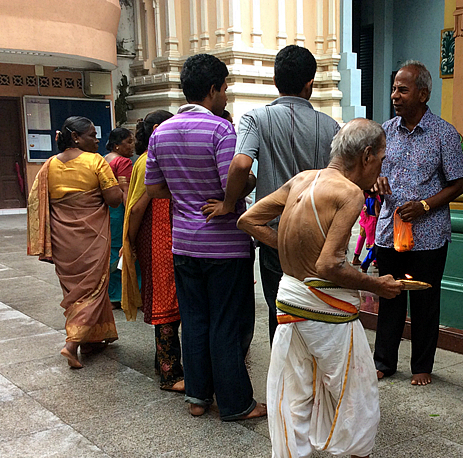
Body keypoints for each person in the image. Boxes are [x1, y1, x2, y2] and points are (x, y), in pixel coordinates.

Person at [238, 119, 407, 458]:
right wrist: (377, 285)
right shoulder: (349, 193)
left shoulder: (301, 179)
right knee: (361, 393)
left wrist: (291, 246)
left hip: (291, 303)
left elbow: (248, 221)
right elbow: (330, 264)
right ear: (366, 157)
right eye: (380, 159)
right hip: (326, 312)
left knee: (290, 400)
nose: (379, 169)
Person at [145, 54, 265, 421]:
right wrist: (230, 202)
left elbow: (153, 190)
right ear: (212, 89)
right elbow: (237, 176)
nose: (226, 96)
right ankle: (235, 404)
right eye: (225, 88)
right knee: (226, 322)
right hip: (225, 245)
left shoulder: (160, 132)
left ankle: (197, 397)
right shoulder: (219, 130)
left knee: (195, 320)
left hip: (183, 243)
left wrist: (185, 196)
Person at [202, 45, 340, 345]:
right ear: (310, 84)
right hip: (319, 240)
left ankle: (284, 383)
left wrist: (228, 204)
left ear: (276, 81)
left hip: (274, 238)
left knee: (281, 315)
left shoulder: (256, 118)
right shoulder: (331, 127)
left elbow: (240, 164)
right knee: (318, 314)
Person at [373, 60, 463, 386]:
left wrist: (425, 206)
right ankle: (383, 361)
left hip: (429, 235)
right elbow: (373, 171)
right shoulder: (384, 131)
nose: (395, 95)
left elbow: (457, 184)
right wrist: (376, 183)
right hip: (389, 231)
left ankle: (422, 366)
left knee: (425, 301)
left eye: (403, 89)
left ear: (423, 94)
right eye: (394, 88)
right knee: (390, 296)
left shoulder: (444, 134)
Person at [27, 116, 124, 368]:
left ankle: (92, 339)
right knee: (92, 288)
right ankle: (72, 344)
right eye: (92, 135)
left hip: (62, 238)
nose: (97, 139)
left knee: (76, 290)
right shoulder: (95, 162)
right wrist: (122, 186)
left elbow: (37, 201)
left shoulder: (48, 165)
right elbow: (114, 199)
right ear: (76, 137)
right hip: (91, 237)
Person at [121, 110, 185, 392]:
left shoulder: (146, 159)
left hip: (159, 235)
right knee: (166, 302)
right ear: (159, 129)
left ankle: (163, 362)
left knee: (167, 298)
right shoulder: (151, 160)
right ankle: (170, 374)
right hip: (159, 236)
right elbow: (136, 207)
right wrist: (131, 242)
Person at [104, 127, 135, 308]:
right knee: (123, 248)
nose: (132, 146)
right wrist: (130, 215)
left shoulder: (104, 159)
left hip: (107, 210)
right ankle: (119, 295)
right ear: (117, 145)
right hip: (119, 211)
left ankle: (109, 293)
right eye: (128, 142)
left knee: (110, 250)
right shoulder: (123, 162)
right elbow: (126, 192)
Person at [351, 191, 382, 273]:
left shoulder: (367, 199)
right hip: (373, 223)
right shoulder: (375, 200)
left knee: (365, 237)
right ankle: (366, 263)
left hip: (367, 219)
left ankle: (359, 257)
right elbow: (377, 213)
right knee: (375, 244)